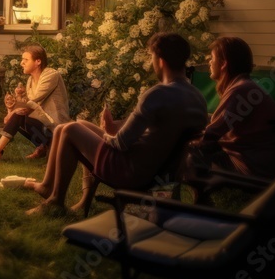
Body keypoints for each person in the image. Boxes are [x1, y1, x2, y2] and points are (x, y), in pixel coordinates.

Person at [23, 32, 208, 215]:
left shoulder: (157, 94)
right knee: (77, 124)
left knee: (71, 128)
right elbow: (157, 131)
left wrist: (105, 135)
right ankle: (48, 186)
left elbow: (120, 143)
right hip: (157, 170)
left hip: (132, 170)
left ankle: (55, 199)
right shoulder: (197, 98)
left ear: (160, 61)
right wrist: (106, 132)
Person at [186, 37, 275, 179]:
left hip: (252, 167)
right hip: (262, 161)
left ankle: (191, 196)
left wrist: (185, 140)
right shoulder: (245, 86)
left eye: (212, 58)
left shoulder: (240, 90)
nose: (209, 62)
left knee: (190, 153)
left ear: (223, 64)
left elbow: (211, 135)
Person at [0, 45, 70, 162]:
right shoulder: (30, 80)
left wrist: (15, 109)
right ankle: (43, 147)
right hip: (45, 125)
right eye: (22, 60)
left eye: (25, 60)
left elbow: (33, 100)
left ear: (38, 61)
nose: (21, 63)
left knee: (18, 115)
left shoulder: (50, 74)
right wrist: (13, 106)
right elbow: (27, 107)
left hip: (57, 127)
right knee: (15, 117)